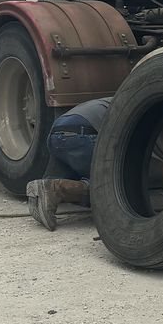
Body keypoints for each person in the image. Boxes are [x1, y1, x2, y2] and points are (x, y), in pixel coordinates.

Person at [26, 98, 111, 230]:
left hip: (55, 134)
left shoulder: (121, 97)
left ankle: (46, 190)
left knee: (49, 182)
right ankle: (56, 189)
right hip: (82, 135)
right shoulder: (139, 105)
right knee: (113, 190)